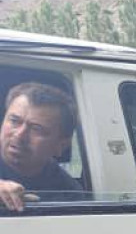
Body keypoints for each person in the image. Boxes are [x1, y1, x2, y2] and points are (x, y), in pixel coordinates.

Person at [0, 82, 82, 211]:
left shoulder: (69, 194)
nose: (19, 135)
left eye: (36, 129)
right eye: (14, 121)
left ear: (60, 145)